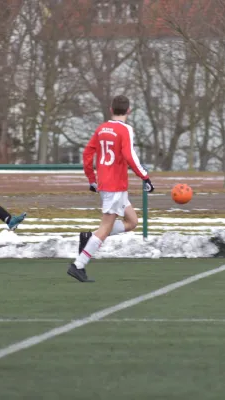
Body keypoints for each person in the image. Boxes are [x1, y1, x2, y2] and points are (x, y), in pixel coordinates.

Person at [67, 95, 154, 282]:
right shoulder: (125, 129)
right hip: (114, 186)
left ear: (111, 109)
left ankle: (90, 238)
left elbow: (87, 153)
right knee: (105, 228)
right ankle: (78, 265)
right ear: (128, 111)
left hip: (113, 186)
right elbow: (129, 155)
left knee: (132, 221)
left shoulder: (101, 128)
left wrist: (92, 179)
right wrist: (145, 177)